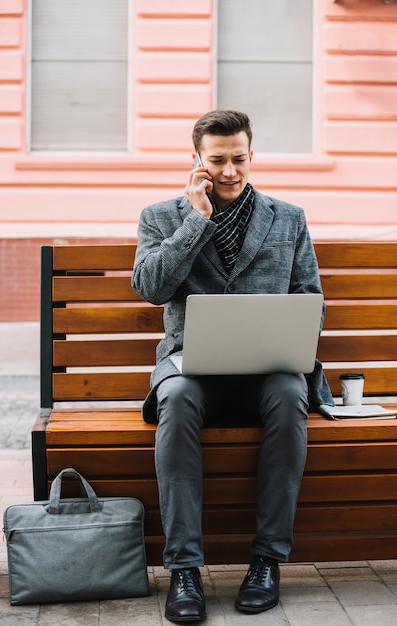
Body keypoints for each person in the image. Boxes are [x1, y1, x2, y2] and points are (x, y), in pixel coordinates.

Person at [131, 110, 334, 623]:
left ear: (251, 155)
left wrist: (287, 326)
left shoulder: (288, 217)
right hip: (192, 371)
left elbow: (311, 297)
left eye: (238, 159)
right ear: (196, 159)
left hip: (267, 371)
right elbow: (152, 288)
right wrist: (195, 221)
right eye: (217, 160)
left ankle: (266, 562)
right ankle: (184, 570)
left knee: (292, 395)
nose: (228, 171)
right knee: (175, 399)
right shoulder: (162, 216)